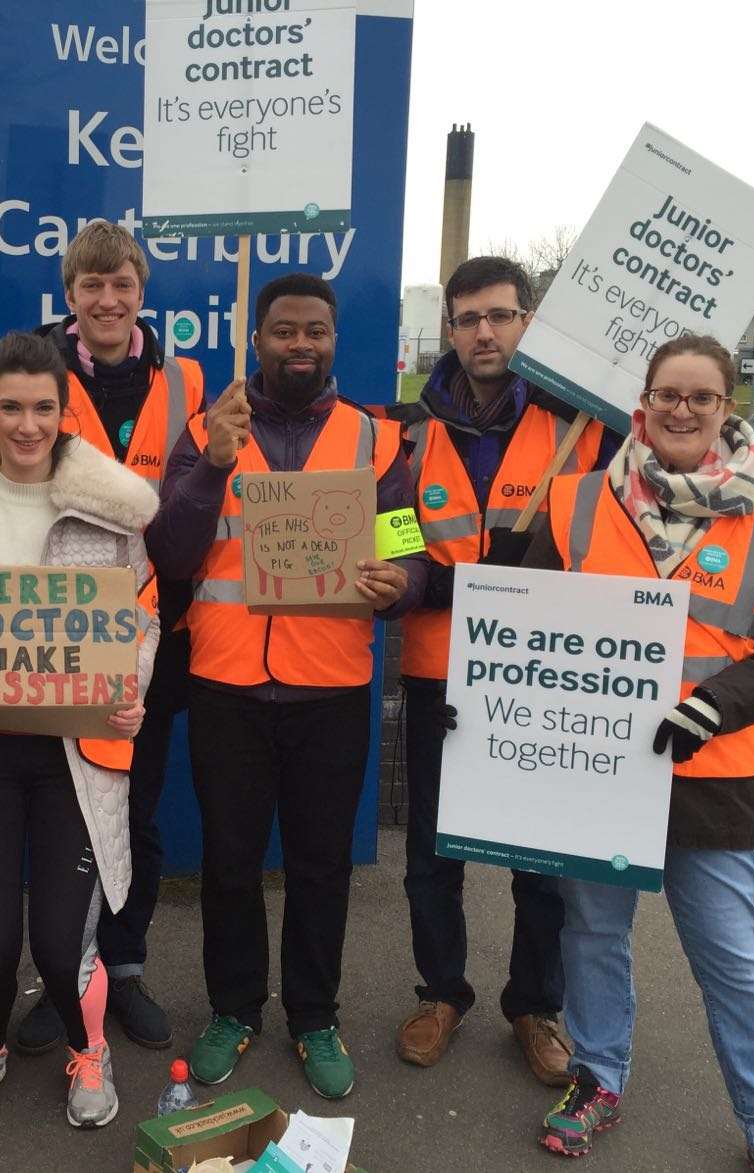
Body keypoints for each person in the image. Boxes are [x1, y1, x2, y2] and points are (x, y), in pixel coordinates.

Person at [523, 333, 754, 1172]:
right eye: (669, 394)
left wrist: (716, 706)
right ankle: (597, 1078)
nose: (684, 409)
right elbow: (523, 623)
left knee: (731, 958)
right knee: (591, 935)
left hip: (714, 777)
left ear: (727, 408)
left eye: (702, 397)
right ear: (643, 405)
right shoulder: (576, 501)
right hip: (595, 774)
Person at [147, 273, 426, 1100]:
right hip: (227, 684)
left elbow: (407, 548)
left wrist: (401, 584)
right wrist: (211, 469)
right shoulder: (208, 432)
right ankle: (234, 1009)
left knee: (320, 865)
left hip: (332, 688)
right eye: (283, 331)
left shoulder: (375, 440)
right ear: (257, 339)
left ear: (334, 340)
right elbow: (168, 553)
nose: (300, 344)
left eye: (315, 331)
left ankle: (314, 1014)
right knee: (230, 866)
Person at [0, 331, 161, 1130]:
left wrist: (131, 687)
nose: (26, 423)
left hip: (73, 751)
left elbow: (144, 615)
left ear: (63, 410)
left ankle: (90, 1048)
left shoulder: (114, 504)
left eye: (43, 407)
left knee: (60, 938)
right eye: (10, 406)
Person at [392, 255, 617, 1084]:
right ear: (447, 329)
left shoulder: (585, 429)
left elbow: (626, 536)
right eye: (466, 318)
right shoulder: (410, 434)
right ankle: (441, 992)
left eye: (500, 315)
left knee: (541, 860)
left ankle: (535, 1006)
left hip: (543, 676)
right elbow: (395, 540)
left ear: (528, 322)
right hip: (437, 670)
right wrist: (450, 579)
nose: (483, 332)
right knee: (431, 856)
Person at [17, 218, 205, 1054]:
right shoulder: (33, 372)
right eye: (90, 285)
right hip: (53, 636)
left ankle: (122, 969)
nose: (106, 299)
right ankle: (62, 979)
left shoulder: (191, 380)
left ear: (141, 291)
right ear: (69, 294)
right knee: (62, 815)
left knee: (136, 811)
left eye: (121, 283)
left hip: (155, 637)